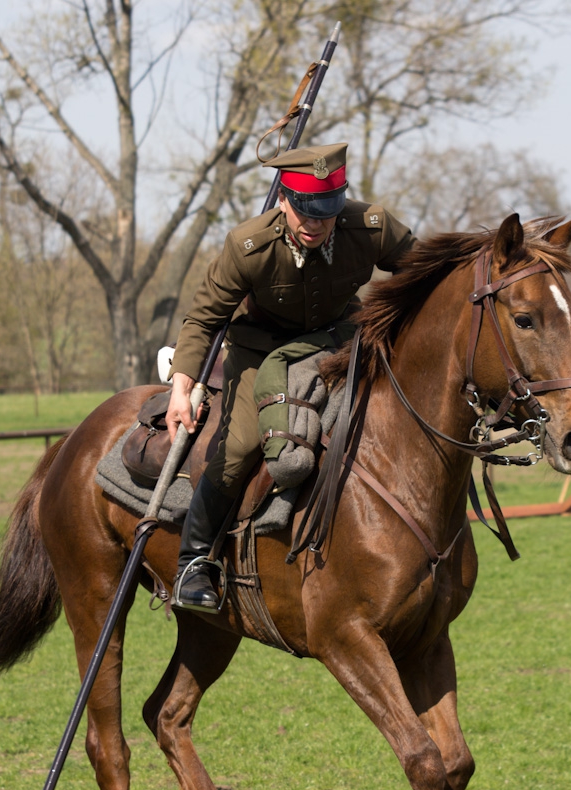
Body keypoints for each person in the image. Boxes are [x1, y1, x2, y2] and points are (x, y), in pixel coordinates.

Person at [166, 143, 416, 611]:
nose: (315, 223)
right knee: (239, 446)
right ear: (283, 198)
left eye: (327, 210)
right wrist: (182, 388)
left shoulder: (372, 227)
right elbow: (202, 321)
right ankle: (194, 562)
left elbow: (422, 277)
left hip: (338, 342)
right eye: (305, 210)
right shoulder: (249, 247)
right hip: (260, 352)